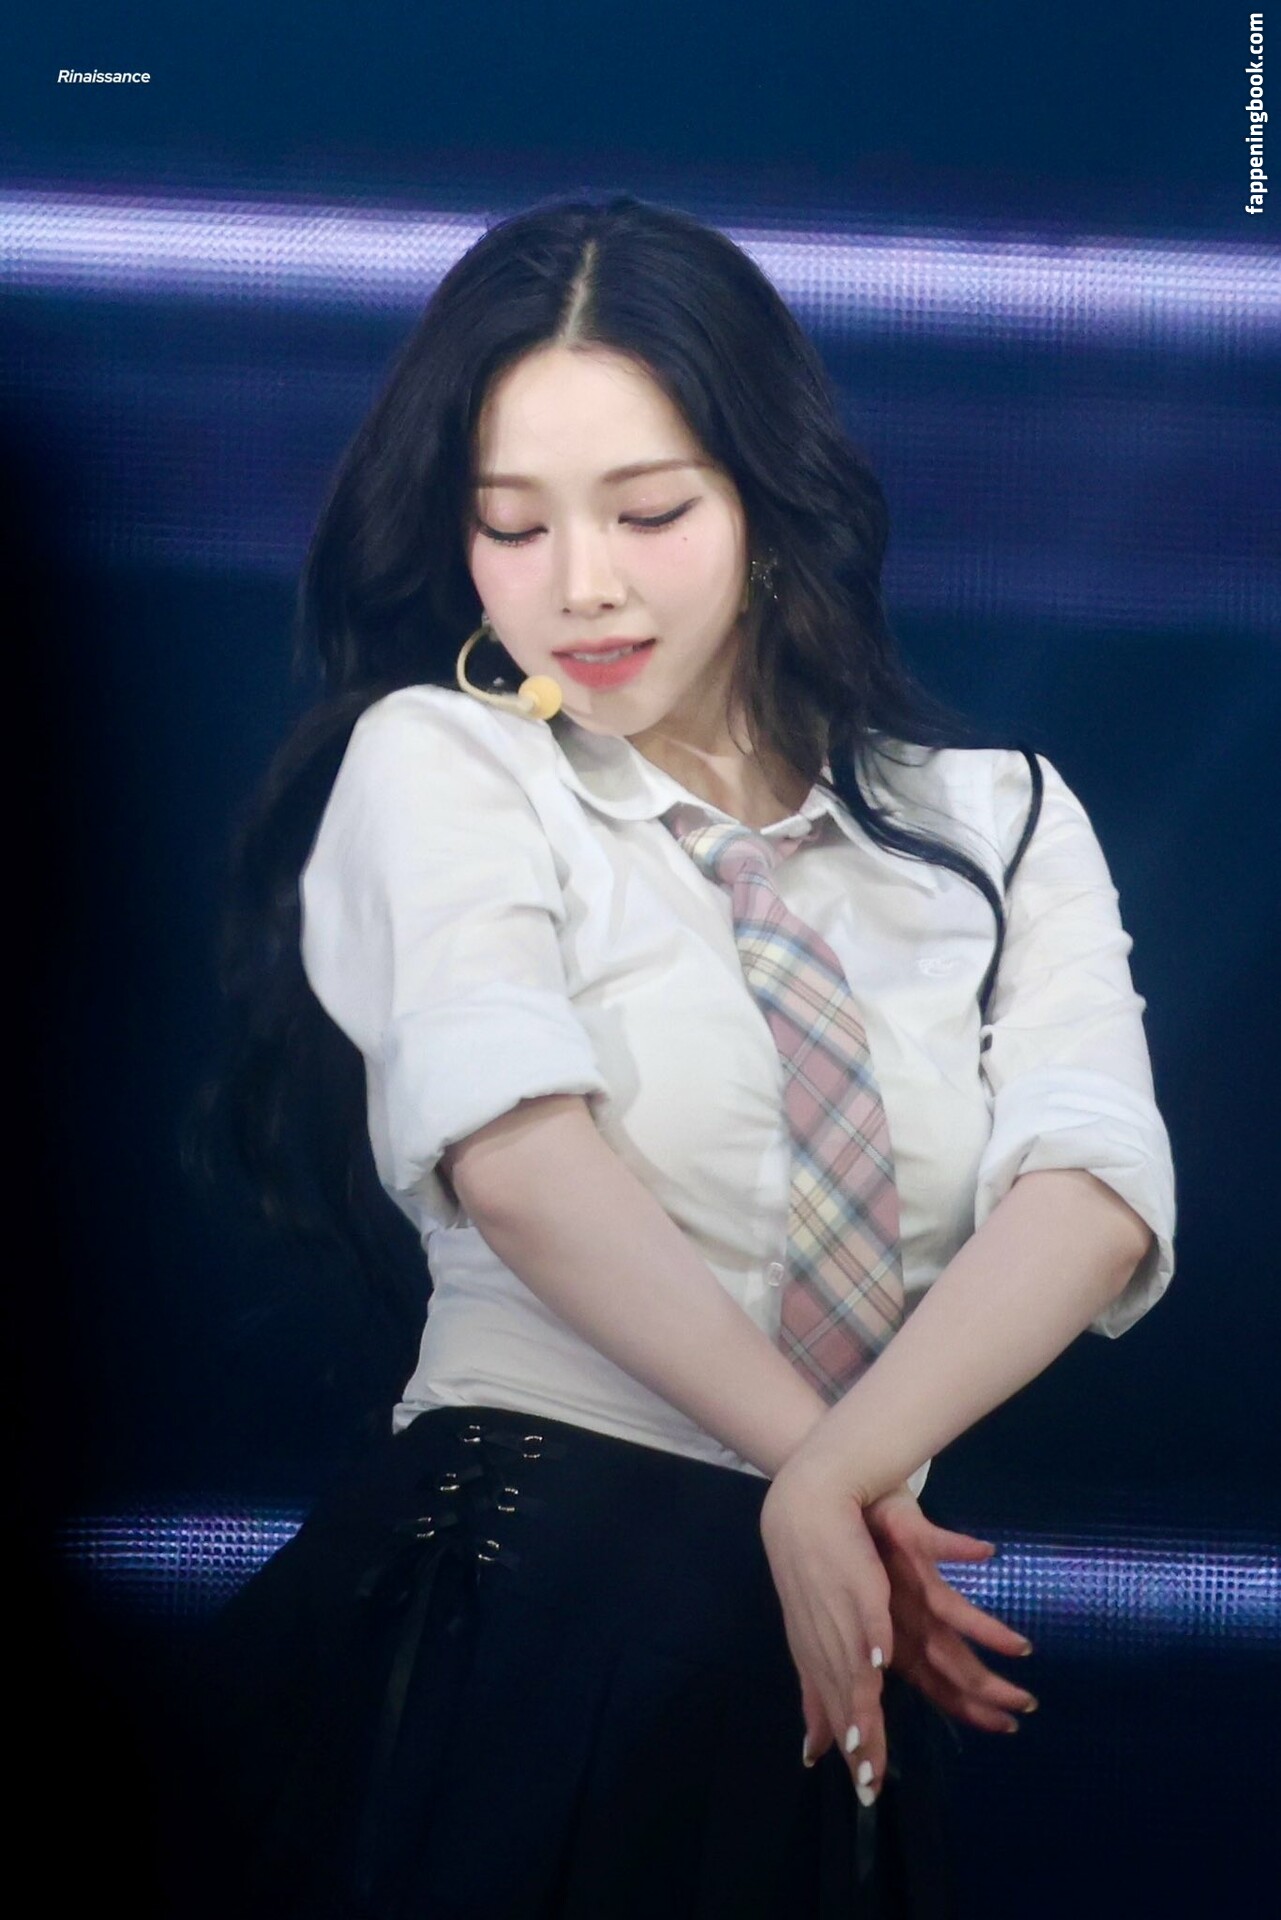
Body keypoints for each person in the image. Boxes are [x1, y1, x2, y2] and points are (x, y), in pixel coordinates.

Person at [197, 194, 1175, 1920]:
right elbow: (514, 1151)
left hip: (829, 1645)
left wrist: (830, 1485)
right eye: (511, 525)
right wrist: (826, 1475)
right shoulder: (446, 763)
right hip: (513, 1623)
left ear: (766, 501)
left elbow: (1093, 1189)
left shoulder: (999, 820)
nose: (581, 582)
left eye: (649, 512)